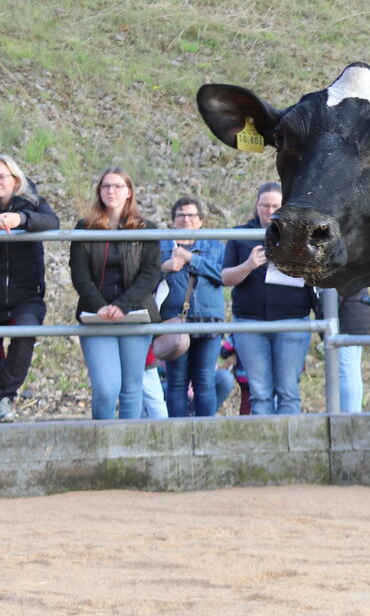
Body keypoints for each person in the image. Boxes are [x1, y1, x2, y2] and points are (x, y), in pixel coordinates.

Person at [69, 166, 162, 420]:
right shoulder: (85, 227)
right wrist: (99, 306)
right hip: (95, 315)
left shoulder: (146, 228)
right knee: (106, 389)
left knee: (132, 389)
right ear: (99, 191)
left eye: (117, 186)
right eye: (106, 186)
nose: (111, 191)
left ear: (129, 192)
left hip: (134, 313)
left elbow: (151, 273)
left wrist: (122, 305)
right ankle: (102, 444)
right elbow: (79, 274)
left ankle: (128, 449)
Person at [222, 182, 317, 415]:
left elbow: (317, 275)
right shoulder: (240, 234)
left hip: (292, 321)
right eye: (264, 205)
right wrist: (249, 264)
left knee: (288, 391)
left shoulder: (301, 234)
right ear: (256, 206)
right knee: (260, 393)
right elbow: (225, 277)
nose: (269, 210)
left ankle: (292, 446)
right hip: (250, 322)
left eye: (275, 205)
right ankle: (265, 449)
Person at [0, 154, 59, 422]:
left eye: (2, 177)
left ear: (15, 179)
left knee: (25, 334)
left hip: (26, 295)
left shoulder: (32, 202)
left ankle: (5, 395)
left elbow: (51, 222)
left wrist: (20, 219)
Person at [160, 195, 226, 417]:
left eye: (191, 215)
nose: (186, 219)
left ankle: (205, 435)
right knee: (176, 382)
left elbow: (224, 275)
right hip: (175, 321)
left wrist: (191, 259)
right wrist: (165, 266)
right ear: (173, 220)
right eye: (180, 215)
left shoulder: (215, 244)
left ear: (200, 220)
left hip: (209, 320)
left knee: (205, 380)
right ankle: (177, 436)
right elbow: (148, 275)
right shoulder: (162, 245)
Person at [334, 291, 370, 412]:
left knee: (347, 371)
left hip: (346, 321)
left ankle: (349, 414)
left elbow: (334, 297)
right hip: (356, 315)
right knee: (352, 371)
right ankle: (353, 412)